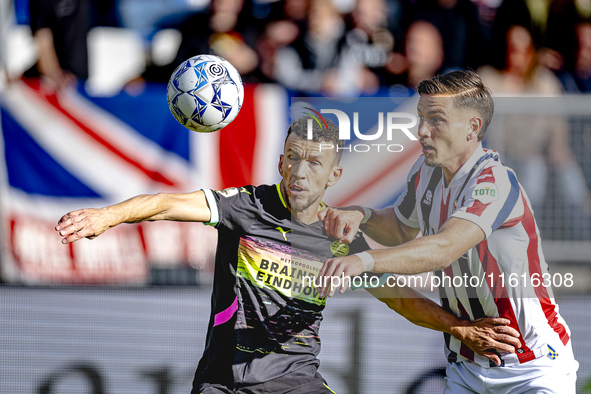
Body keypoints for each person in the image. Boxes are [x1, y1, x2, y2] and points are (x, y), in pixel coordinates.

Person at [55, 116, 520, 393]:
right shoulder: (246, 206)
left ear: (335, 173)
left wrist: (457, 326)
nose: (301, 171)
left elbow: (398, 297)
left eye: (314, 162)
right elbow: (164, 204)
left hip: (294, 383)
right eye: (293, 158)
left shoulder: (339, 234)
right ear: (280, 163)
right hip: (223, 381)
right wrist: (107, 216)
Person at [317, 70, 578, 393]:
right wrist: (363, 214)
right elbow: (400, 229)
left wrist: (364, 261)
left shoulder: (495, 181)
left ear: (473, 127)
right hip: (466, 367)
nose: (422, 131)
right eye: (420, 118)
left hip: (532, 366)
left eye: (436, 119)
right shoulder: (425, 172)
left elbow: (444, 248)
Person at [25, 0, 90, 91]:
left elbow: (43, 40)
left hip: (72, 79)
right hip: (61, 81)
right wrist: (56, 76)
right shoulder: (41, 2)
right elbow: (43, 40)